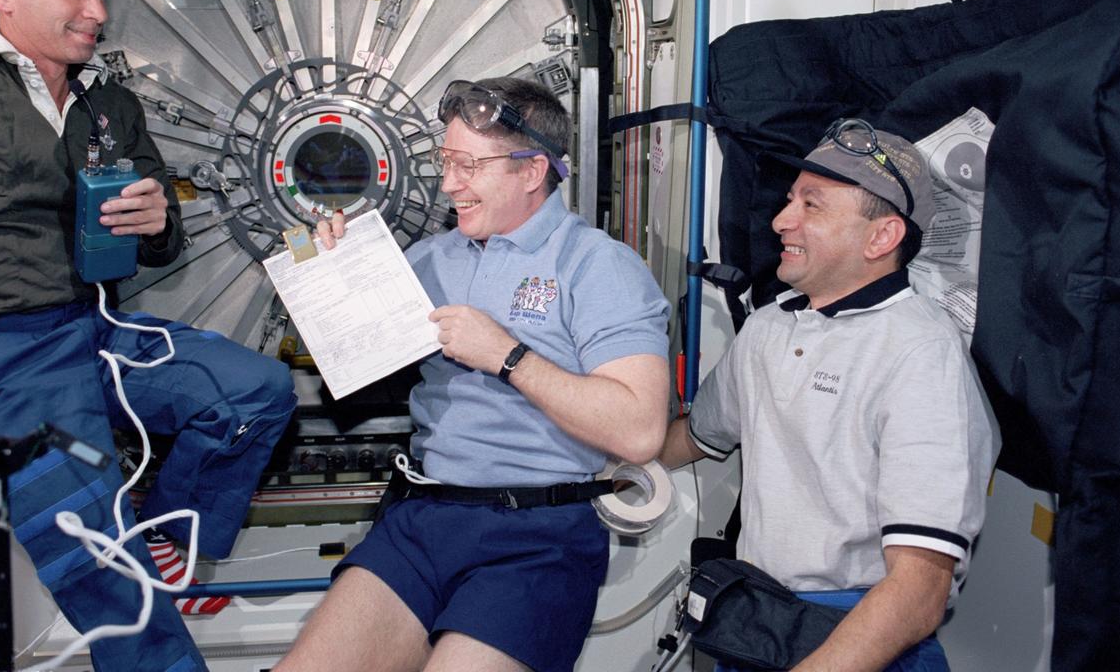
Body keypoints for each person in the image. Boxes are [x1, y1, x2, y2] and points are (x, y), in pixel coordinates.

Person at [0, 0, 297, 671]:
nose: (98, 13)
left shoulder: (107, 102)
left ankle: (172, 539)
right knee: (110, 574)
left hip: (97, 328)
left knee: (256, 391)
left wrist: (154, 215)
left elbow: (161, 238)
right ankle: (137, 587)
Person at [275, 78, 672, 672]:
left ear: (533, 170)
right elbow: (348, 371)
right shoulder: (431, 260)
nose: (448, 183)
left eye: (468, 165)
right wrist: (325, 272)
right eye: (445, 160)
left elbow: (641, 431)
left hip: (535, 537)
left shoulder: (598, 266)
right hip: (421, 519)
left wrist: (509, 357)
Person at [660, 120, 996, 672]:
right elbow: (695, 438)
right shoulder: (769, 327)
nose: (780, 220)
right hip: (762, 620)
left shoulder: (921, 354)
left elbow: (918, 593)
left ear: (881, 237)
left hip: (862, 634)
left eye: (810, 206)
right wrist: (599, 468)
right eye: (790, 198)